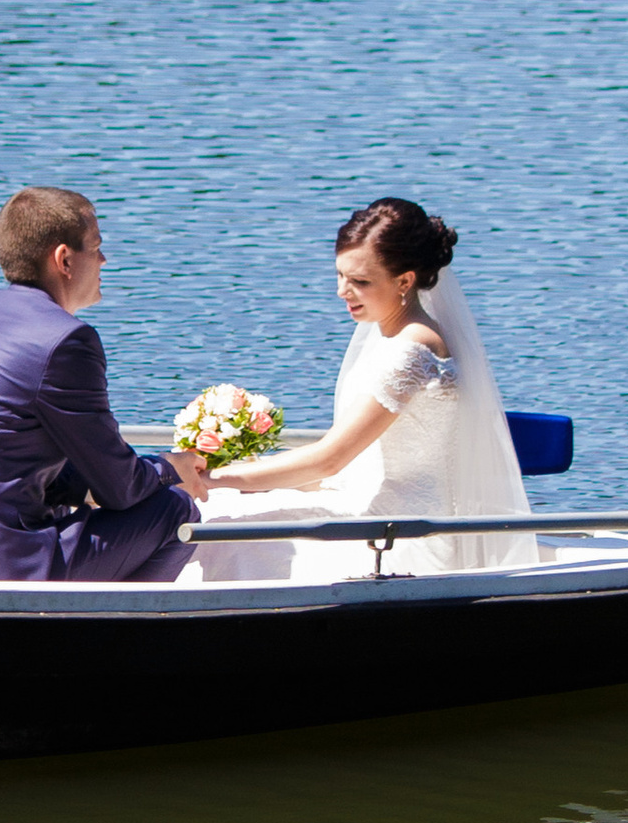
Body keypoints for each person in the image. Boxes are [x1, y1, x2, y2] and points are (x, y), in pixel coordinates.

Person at [0, 188, 212, 585]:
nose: (104, 260)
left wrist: (93, 485)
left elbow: (7, 457)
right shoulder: (65, 341)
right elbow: (121, 489)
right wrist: (170, 468)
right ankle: (113, 622)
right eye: (96, 247)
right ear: (64, 259)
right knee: (175, 510)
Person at [221, 196, 531, 574]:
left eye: (360, 282)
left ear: (404, 281)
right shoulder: (391, 334)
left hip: (400, 533)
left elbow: (330, 459)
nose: (342, 291)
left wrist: (217, 478)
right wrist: (238, 473)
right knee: (224, 511)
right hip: (373, 508)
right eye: (340, 275)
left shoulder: (412, 349)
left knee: (226, 530)